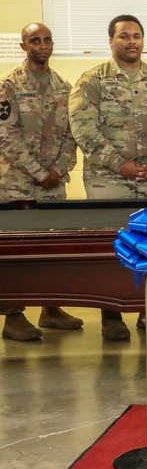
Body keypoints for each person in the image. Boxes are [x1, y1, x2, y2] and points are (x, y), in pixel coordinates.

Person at [68, 14, 147, 341]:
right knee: (114, 249)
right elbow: (84, 129)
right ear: (111, 41)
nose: (131, 41)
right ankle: (111, 316)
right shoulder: (92, 80)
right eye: (124, 36)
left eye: (136, 36)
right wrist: (119, 164)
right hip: (108, 180)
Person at [0, 23, 82, 341]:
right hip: (18, 185)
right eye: (35, 40)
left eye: (48, 40)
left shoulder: (64, 87)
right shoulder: (8, 86)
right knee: (19, 254)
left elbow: (73, 136)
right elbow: (5, 136)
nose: (43, 45)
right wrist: (38, 173)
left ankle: (51, 309)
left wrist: (59, 171)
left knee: (54, 249)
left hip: (54, 185)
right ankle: (13, 316)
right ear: (24, 46)